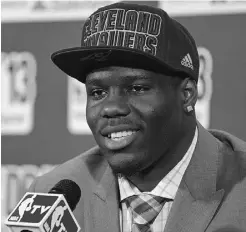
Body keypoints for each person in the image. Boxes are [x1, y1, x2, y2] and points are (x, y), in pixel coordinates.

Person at [29, 2, 246, 232]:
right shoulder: (52, 194)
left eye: (137, 88)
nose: (110, 108)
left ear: (187, 95)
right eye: (98, 92)